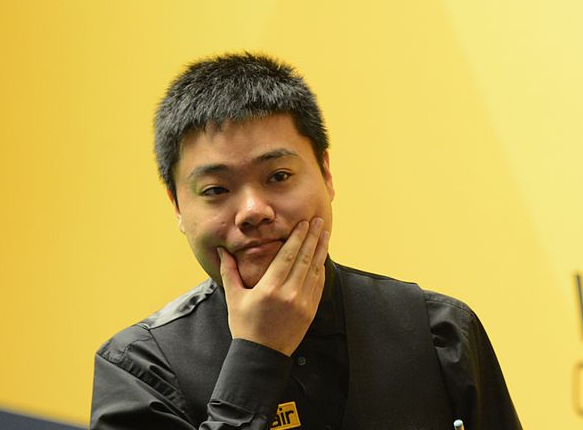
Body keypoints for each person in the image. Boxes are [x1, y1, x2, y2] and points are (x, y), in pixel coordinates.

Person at [90, 53, 522, 430]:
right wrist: (258, 355)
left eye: (278, 176)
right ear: (178, 207)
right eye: (216, 190)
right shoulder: (140, 370)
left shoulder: (438, 334)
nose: (253, 210)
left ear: (327, 175)